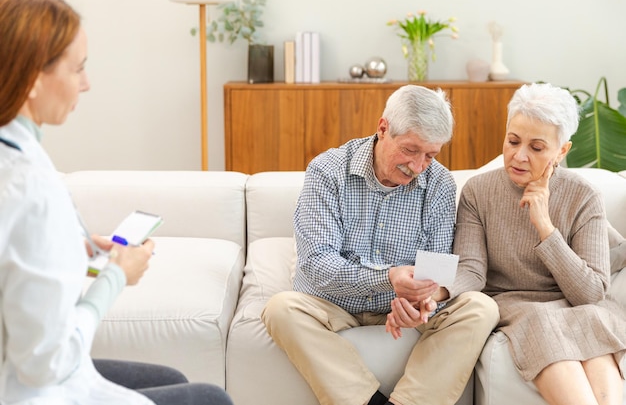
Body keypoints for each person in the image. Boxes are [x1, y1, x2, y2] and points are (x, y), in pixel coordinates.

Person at [0, 0, 233, 404]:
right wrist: (114, 277)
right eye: (78, 69)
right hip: (30, 387)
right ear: (34, 78)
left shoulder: (19, 155)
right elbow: (43, 364)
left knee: (174, 377)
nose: (86, 84)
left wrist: (81, 253)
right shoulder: (29, 184)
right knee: (210, 399)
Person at [262, 84, 500, 405]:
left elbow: (435, 268)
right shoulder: (328, 171)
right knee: (280, 310)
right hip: (333, 303)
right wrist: (389, 278)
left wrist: (421, 303)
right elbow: (317, 265)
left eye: (430, 155)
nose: (417, 166)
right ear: (383, 128)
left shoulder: (440, 184)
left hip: (399, 305)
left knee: (481, 308)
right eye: (410, 150)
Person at [442, 82, 625, 404]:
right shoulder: (477, 192)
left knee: (596, 318)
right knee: (542, 321)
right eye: (513, 141)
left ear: (562, 151)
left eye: (537, 148)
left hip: (576, 304)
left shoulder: (582, 196)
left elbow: (591, 293)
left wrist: (545, 227)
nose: (519, 156)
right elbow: (472, 271)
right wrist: (439, 290)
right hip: (516, 304)